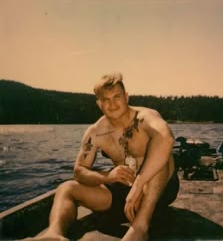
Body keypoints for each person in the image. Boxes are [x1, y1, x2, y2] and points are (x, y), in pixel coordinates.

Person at [25, 72, 179, 241]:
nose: (112, 104)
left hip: (158, 191)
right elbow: (79, 171)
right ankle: (54, 234)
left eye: (117, 97)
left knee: (163, 157)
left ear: (126, 97)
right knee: (66, 188)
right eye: (106, 99)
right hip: (122, 195)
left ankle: (140, 229)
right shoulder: (95, 133)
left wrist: (139, 184)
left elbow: (166, 138)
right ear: (99, 104)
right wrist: (108, 177)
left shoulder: (144, 117)